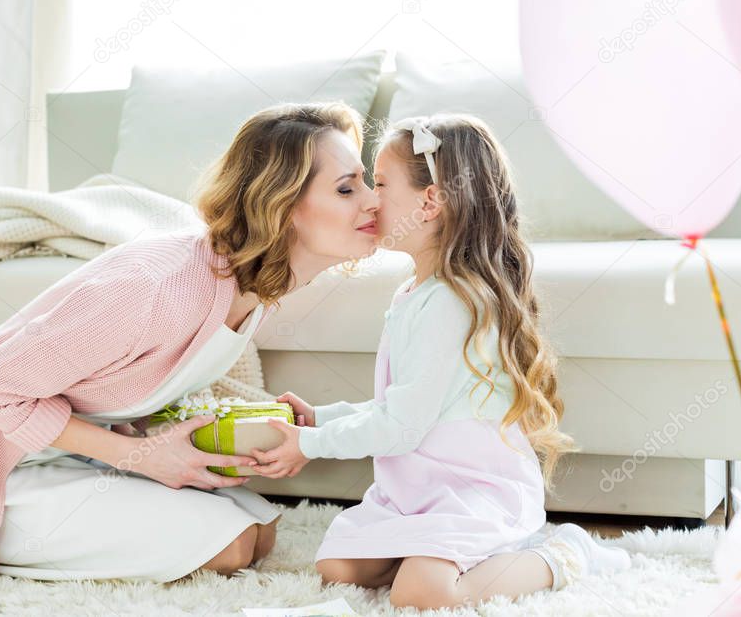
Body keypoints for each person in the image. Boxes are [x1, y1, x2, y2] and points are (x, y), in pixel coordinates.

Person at [0, 102, 381, 601]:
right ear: (283, 206)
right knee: (232, 547)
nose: (373, 201)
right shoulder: (154, 288)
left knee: (261, 531)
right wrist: (142, 459)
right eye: (346, 189)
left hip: (69, 451)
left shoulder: (253, 285)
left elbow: (143, 382)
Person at [254, 114, 631, 610]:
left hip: (472, 491)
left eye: (382, 184)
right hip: (421, 490)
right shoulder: (414, 292)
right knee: (339, 569)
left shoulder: (452, 302)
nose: (370, 198)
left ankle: (564, 552)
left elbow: (401, 427)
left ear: (430, 202)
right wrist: (323, 417)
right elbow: (401, 405)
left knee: (423, 595)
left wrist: (312, 443)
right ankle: (434, 551)